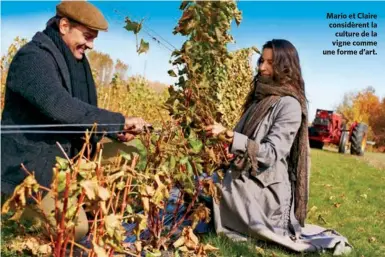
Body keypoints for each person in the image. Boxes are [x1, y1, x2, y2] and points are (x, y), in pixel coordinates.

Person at [1, 1, 149, 241]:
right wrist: (119, 121)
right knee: (75, 229)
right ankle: (14, 211)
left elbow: (84, 113)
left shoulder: (75, 61)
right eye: (87, 37)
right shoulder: (32, 59)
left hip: (62, 160)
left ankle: (91, 208)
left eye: (94, 39)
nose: (90, 45)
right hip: (29, 173)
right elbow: (63, 108)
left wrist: (114, 132)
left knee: (128, 152)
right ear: (64, 25)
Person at [205, 39, 351, 254]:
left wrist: (230, 136)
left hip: (265, 189)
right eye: (261, 61)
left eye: (270, 63)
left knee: (212, 189)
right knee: (201, 184)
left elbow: (271, 154)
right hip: (249, 174)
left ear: (285, 66)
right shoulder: (258, 99)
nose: (262, 67)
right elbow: (245, 144)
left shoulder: (289, 105)